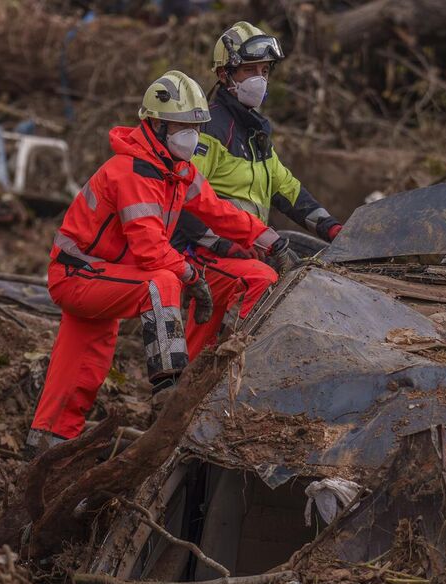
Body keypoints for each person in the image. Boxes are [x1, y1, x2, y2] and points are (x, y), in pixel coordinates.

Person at [27, 71, 289, 454]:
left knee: (81, 371)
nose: (192, 136)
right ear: (157, 125)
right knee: (161, 282)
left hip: (102, 275)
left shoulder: (177, 171)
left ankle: (45, 450)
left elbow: (220, 213)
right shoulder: (132, 173)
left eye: (196, 127)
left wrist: (273, 241)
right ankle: (168, 387)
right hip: (78, 275)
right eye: (183, 127)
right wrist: (192, 277)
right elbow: (150, 250)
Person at [171, 21, 342, 359]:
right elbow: (183, 202)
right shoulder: (208, 130)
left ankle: (185, 391)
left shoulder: (256, 133)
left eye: (265, 70)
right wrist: (226, 246)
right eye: (250, 70)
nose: (260, 79)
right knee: (262, 281)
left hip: (244, 249)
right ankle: (246, 366)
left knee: (195, 352)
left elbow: (287, 189)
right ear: (224, 74)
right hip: (206, 251)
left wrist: (333, 228)